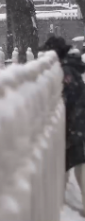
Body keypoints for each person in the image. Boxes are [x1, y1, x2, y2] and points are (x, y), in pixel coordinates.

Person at [40, 37, 85, 206]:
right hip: (76, 124)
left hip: (74, 124)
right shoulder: (70, 67)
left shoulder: (65, 71)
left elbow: (71, 99)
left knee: (76, 165)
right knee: (75, 163)